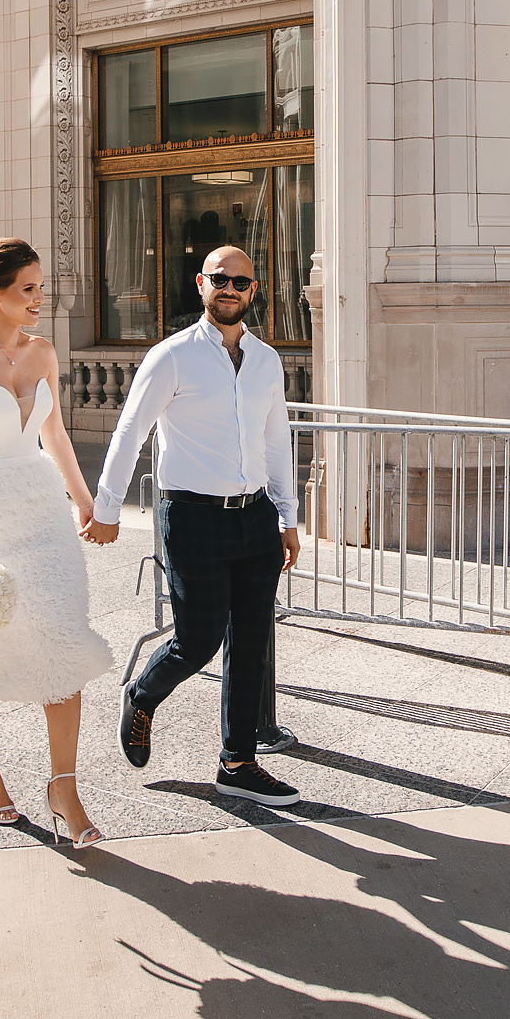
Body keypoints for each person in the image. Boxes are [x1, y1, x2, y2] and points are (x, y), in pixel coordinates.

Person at [86, 245, 304, 808]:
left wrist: (287, 516)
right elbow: (130, 431)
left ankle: (237, 762)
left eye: (241, 282)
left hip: (254, 516)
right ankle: (142, 694)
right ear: (200, 284)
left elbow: (276, 440)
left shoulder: (265, 360)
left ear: (254, 291)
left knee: (252, 641)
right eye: (219, 279)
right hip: (191, 516)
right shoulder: (172, 357)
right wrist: (105, 508)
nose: (229, 288)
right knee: (197, 640)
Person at [0, 238, 115, 849]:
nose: (39, 299)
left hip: (42, 507)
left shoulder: (42, 352)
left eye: (40, 287)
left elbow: (55, 430)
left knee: (62, 636)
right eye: (27, 289)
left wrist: (86, 501)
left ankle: (64, 786)